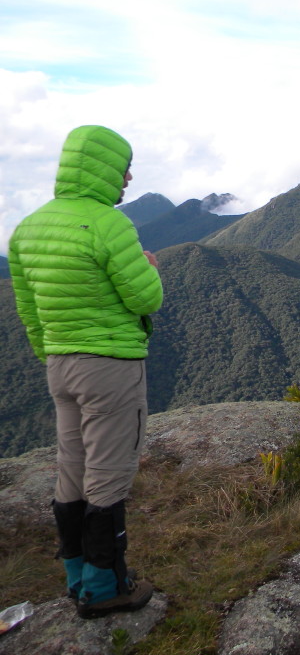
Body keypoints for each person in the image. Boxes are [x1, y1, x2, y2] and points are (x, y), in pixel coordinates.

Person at [7, 125, 163, 619]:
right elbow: (145, 298)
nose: (129, 177)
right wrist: (151, 268)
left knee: (71, 469)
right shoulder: (109, 224)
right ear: (104, 168)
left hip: (60, 366)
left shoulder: (26, 229)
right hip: (111, 366)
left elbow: (29, 311)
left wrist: (53, 354)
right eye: (124, 167)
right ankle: (105, 585)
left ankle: (75, 575)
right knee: (108, 474)